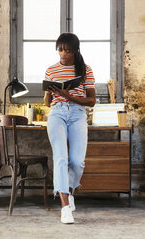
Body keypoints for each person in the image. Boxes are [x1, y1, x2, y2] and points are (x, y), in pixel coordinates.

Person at [43, 33, 96, 224]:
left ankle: (70, 191)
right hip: (57, 113)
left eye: (67, 50)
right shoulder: (51, 70)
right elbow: (48, 103)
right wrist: (50, 93)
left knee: (77, 161)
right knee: (61, 158)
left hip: (77, 114)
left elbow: (92, 100)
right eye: (60, 49)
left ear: (74, 51)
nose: (63, 54)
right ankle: (65, 207)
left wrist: (69, 95)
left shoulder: (85, 70)